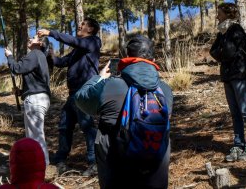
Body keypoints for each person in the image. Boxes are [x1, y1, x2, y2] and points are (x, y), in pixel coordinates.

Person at [74, 35, 173, 188]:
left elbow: (81, 100)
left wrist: (99, 78)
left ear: (127, 58)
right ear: (153, 61)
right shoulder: (165, 89)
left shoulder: (110, 85)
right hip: (155, 167)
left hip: (116, 168)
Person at [37, 17, 101, 176]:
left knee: (87, 126)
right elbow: (61, 62)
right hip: (73, 94)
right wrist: (50, 55)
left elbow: (74, 41)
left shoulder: (94, 41)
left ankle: (94, 162)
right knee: (64, 126)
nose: (80, 25)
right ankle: (60, 161)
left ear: (91, 29)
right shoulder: (77, 49)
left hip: (85, 91)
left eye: (84, 24)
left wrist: (51, 33)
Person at [210, 2, 246, 162]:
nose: (217, 15)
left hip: (240, 74)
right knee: (235, 112)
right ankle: (238, 144)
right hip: (228, 75)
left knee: (244, 111)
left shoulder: (235, 29)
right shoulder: (221, 32)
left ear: (228, 14)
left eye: (219, 13)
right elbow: (212, 51)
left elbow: (228, 52)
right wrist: (222, 52)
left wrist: (221, 52)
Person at [5, 35, 51, 165]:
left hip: (35, 100)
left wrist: (9, 56)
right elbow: (36, 81)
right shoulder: (40, 57)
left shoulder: (35, 54)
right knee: (34, 135)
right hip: (39, 97)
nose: (30, 38)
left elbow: (17, 68)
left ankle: (43, 167)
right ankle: (37, 167)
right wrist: (21, 92)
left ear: (40, 43)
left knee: (35, 137)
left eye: (34, 37)